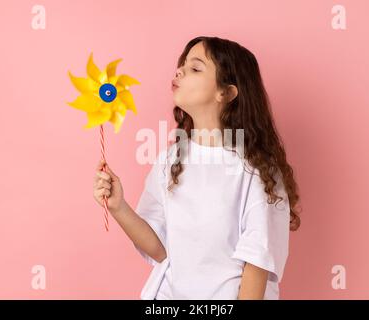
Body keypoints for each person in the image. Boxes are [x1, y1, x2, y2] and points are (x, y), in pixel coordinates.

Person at [93, 36, 301, 300]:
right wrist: (118, 206)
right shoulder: (171, 159)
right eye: (182, 64)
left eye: (195, 68)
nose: (179, 70)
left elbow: (257, 261)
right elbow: (160, 250)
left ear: (225, 93)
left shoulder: (256, 168)